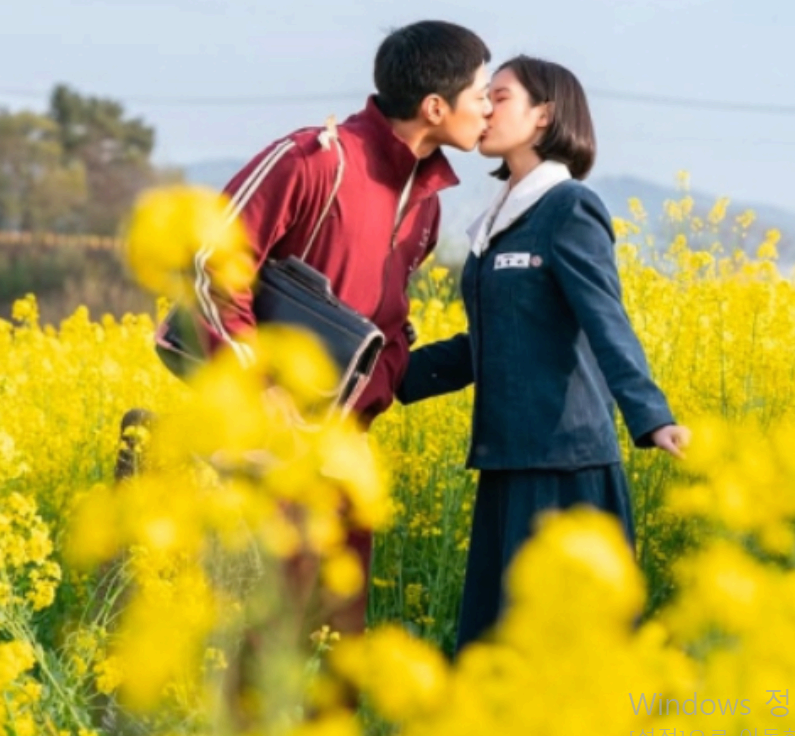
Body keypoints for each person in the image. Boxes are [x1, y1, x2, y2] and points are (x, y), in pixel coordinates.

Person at [177, 19, 492, 643]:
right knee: (257, 640)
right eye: (481, 92)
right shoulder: (313, 159)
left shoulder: (426, 204)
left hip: (345, 452)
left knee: (335, 643)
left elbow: (388, 317)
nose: (489, 106)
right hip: (263, 445)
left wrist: (388, 376)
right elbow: (208, 269)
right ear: (435, 106)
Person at [395, 54, 692, 658]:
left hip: (567, 464)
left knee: (572, 652)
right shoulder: (496, 221)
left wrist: (652, 414)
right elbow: (492, 342)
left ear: (543, 117)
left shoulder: (567, 209)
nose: (482, 107)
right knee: (497, 650)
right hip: (507, 463)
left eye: (498, 96)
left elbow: (605, 320)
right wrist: (387, 375)